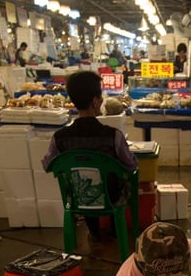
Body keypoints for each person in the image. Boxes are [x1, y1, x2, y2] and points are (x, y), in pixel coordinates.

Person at [41, 70, 137, 241]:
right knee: (121, 180)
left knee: (84, 181)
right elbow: (130, 166)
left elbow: (47, 165)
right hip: (110, 199)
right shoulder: (113, 136)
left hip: (78, 200)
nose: (101, 101)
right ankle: (116, 231)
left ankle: (94, 233)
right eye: (100, 97)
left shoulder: (59, 138)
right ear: (94, 102)